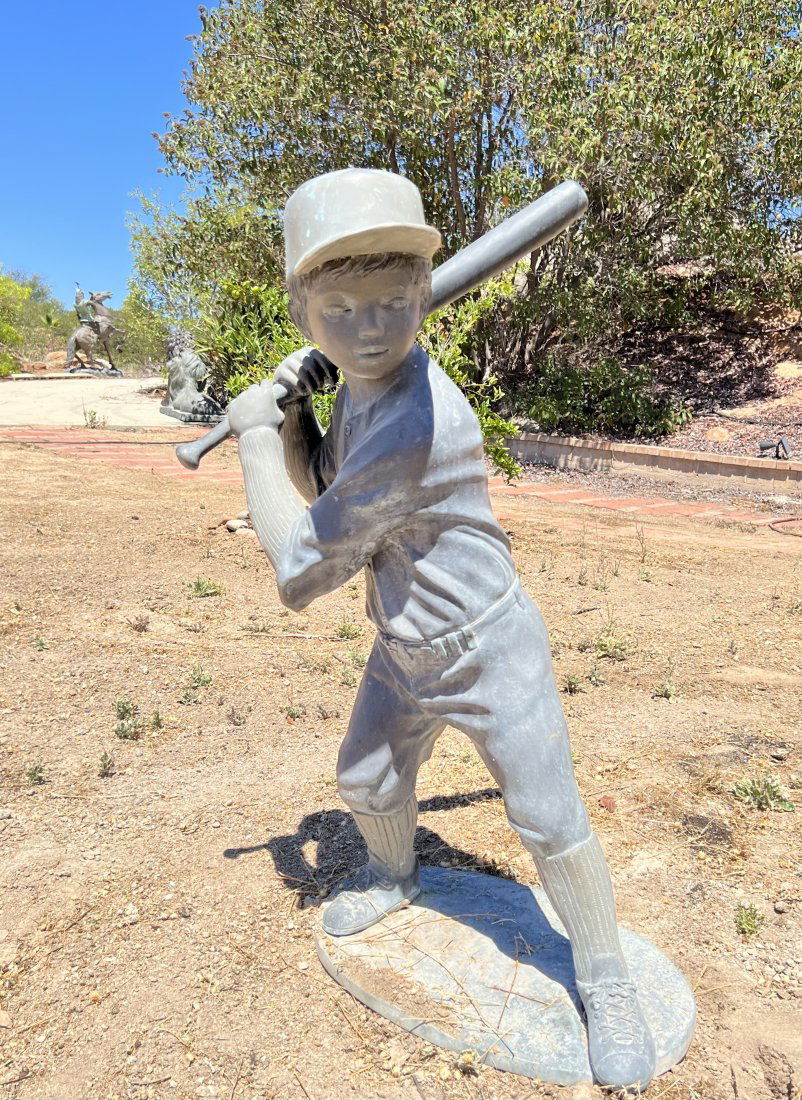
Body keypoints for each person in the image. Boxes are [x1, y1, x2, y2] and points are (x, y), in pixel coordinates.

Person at [226, 168, 656, 1090]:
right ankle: (395, 877)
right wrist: (299, 425)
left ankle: (607, 979)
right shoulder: (362, 387)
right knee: (367, 777)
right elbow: (333, 500)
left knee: (546, 816)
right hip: (404, 643)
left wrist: (254, 440)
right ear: (303, 314)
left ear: (425, 294)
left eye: (391, 302)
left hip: (489, 647)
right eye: (339, 307)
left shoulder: (422, 419)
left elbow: (304, 570)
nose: (369, 327)